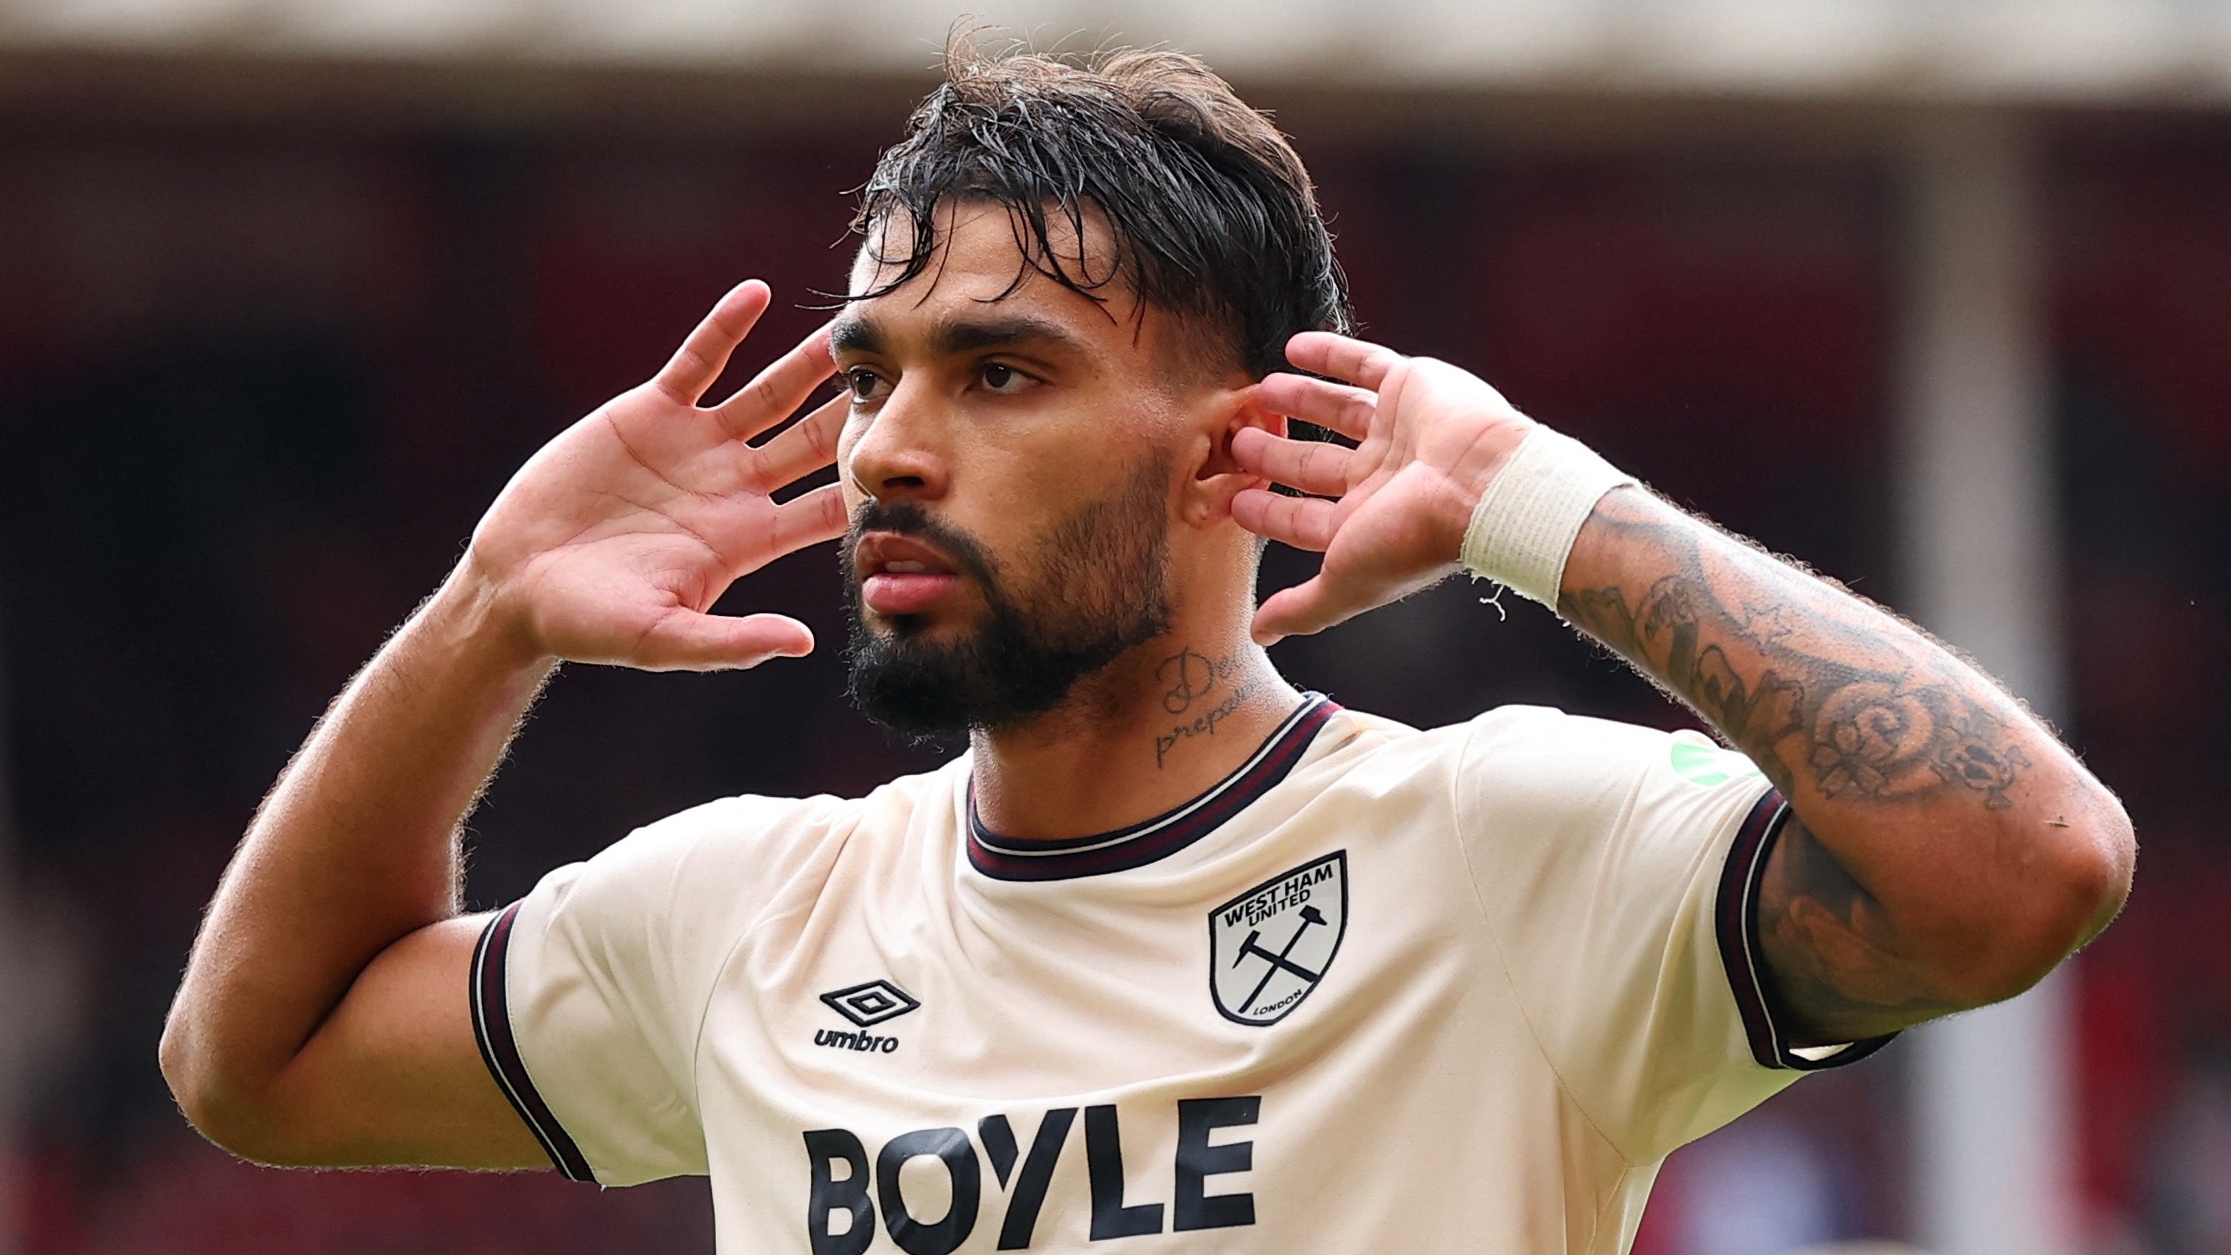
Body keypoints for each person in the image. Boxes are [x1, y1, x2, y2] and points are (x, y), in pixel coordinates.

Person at [158, 42, 2133, 1255]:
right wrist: (485, 619)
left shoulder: (1502, 853)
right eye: (870, 377)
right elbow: (257, 1063)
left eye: (1001, 372)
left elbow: (2023, 871)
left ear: (1241, 451)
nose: (890, 448)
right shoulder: (744, 913)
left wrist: (1543, 508)